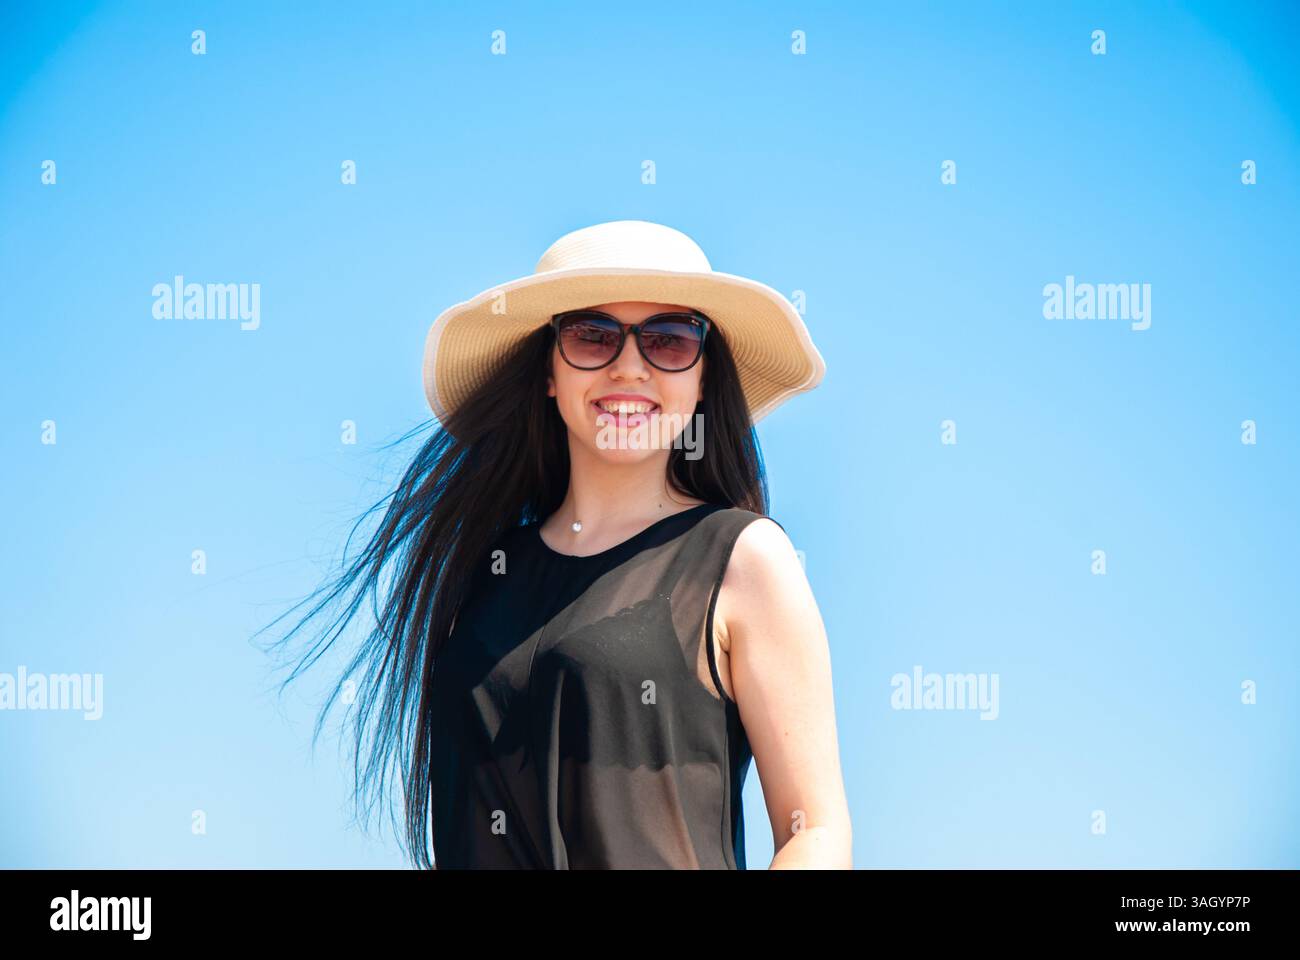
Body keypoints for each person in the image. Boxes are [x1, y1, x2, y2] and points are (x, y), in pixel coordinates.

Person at [257, 219, 850, 869]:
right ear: (548, 369)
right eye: (592, 336)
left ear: (704, 378)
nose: (630, 366)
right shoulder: (476, 574)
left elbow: (814, 830)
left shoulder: (741, 559)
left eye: (671, 340)